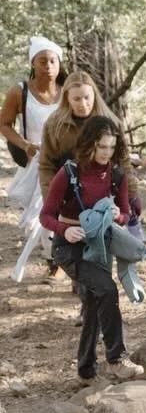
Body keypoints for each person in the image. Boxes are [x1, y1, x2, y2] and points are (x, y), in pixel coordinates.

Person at [39, 114, 146, 385]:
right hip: (69, 247)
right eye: (101, 147)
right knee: (106, 290)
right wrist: (65, 230)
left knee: (93, 303)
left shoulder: (117, 175)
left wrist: (116, 215)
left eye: (111, 147)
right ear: (89, 144)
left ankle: (86, 370)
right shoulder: (69, 173)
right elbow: (46, 216)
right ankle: (117, 359)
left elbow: (125, 214)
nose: (106, 153)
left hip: (99, 246)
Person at [4, 37, 65, 283]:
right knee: (43, 213)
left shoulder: (68, 90)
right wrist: (25, 145)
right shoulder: (20, 91)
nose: (48, 66)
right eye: (43, 61)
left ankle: (60, 263)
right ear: (33, 63)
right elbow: (4, 124)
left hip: (66, 161)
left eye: (53, 60)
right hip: (36, 163)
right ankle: (55, 259)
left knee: (62, 210)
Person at [38, 72, 115, 194]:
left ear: (94, 95)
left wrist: (131, 197)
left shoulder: (111, 122)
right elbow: (46, 166)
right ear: (67, 98)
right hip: (68, 196)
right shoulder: (54, 125)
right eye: (77, 99)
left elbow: (123, 162)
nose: (83, 104)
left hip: (105, 196)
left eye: (87, 97)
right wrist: (51, 202)